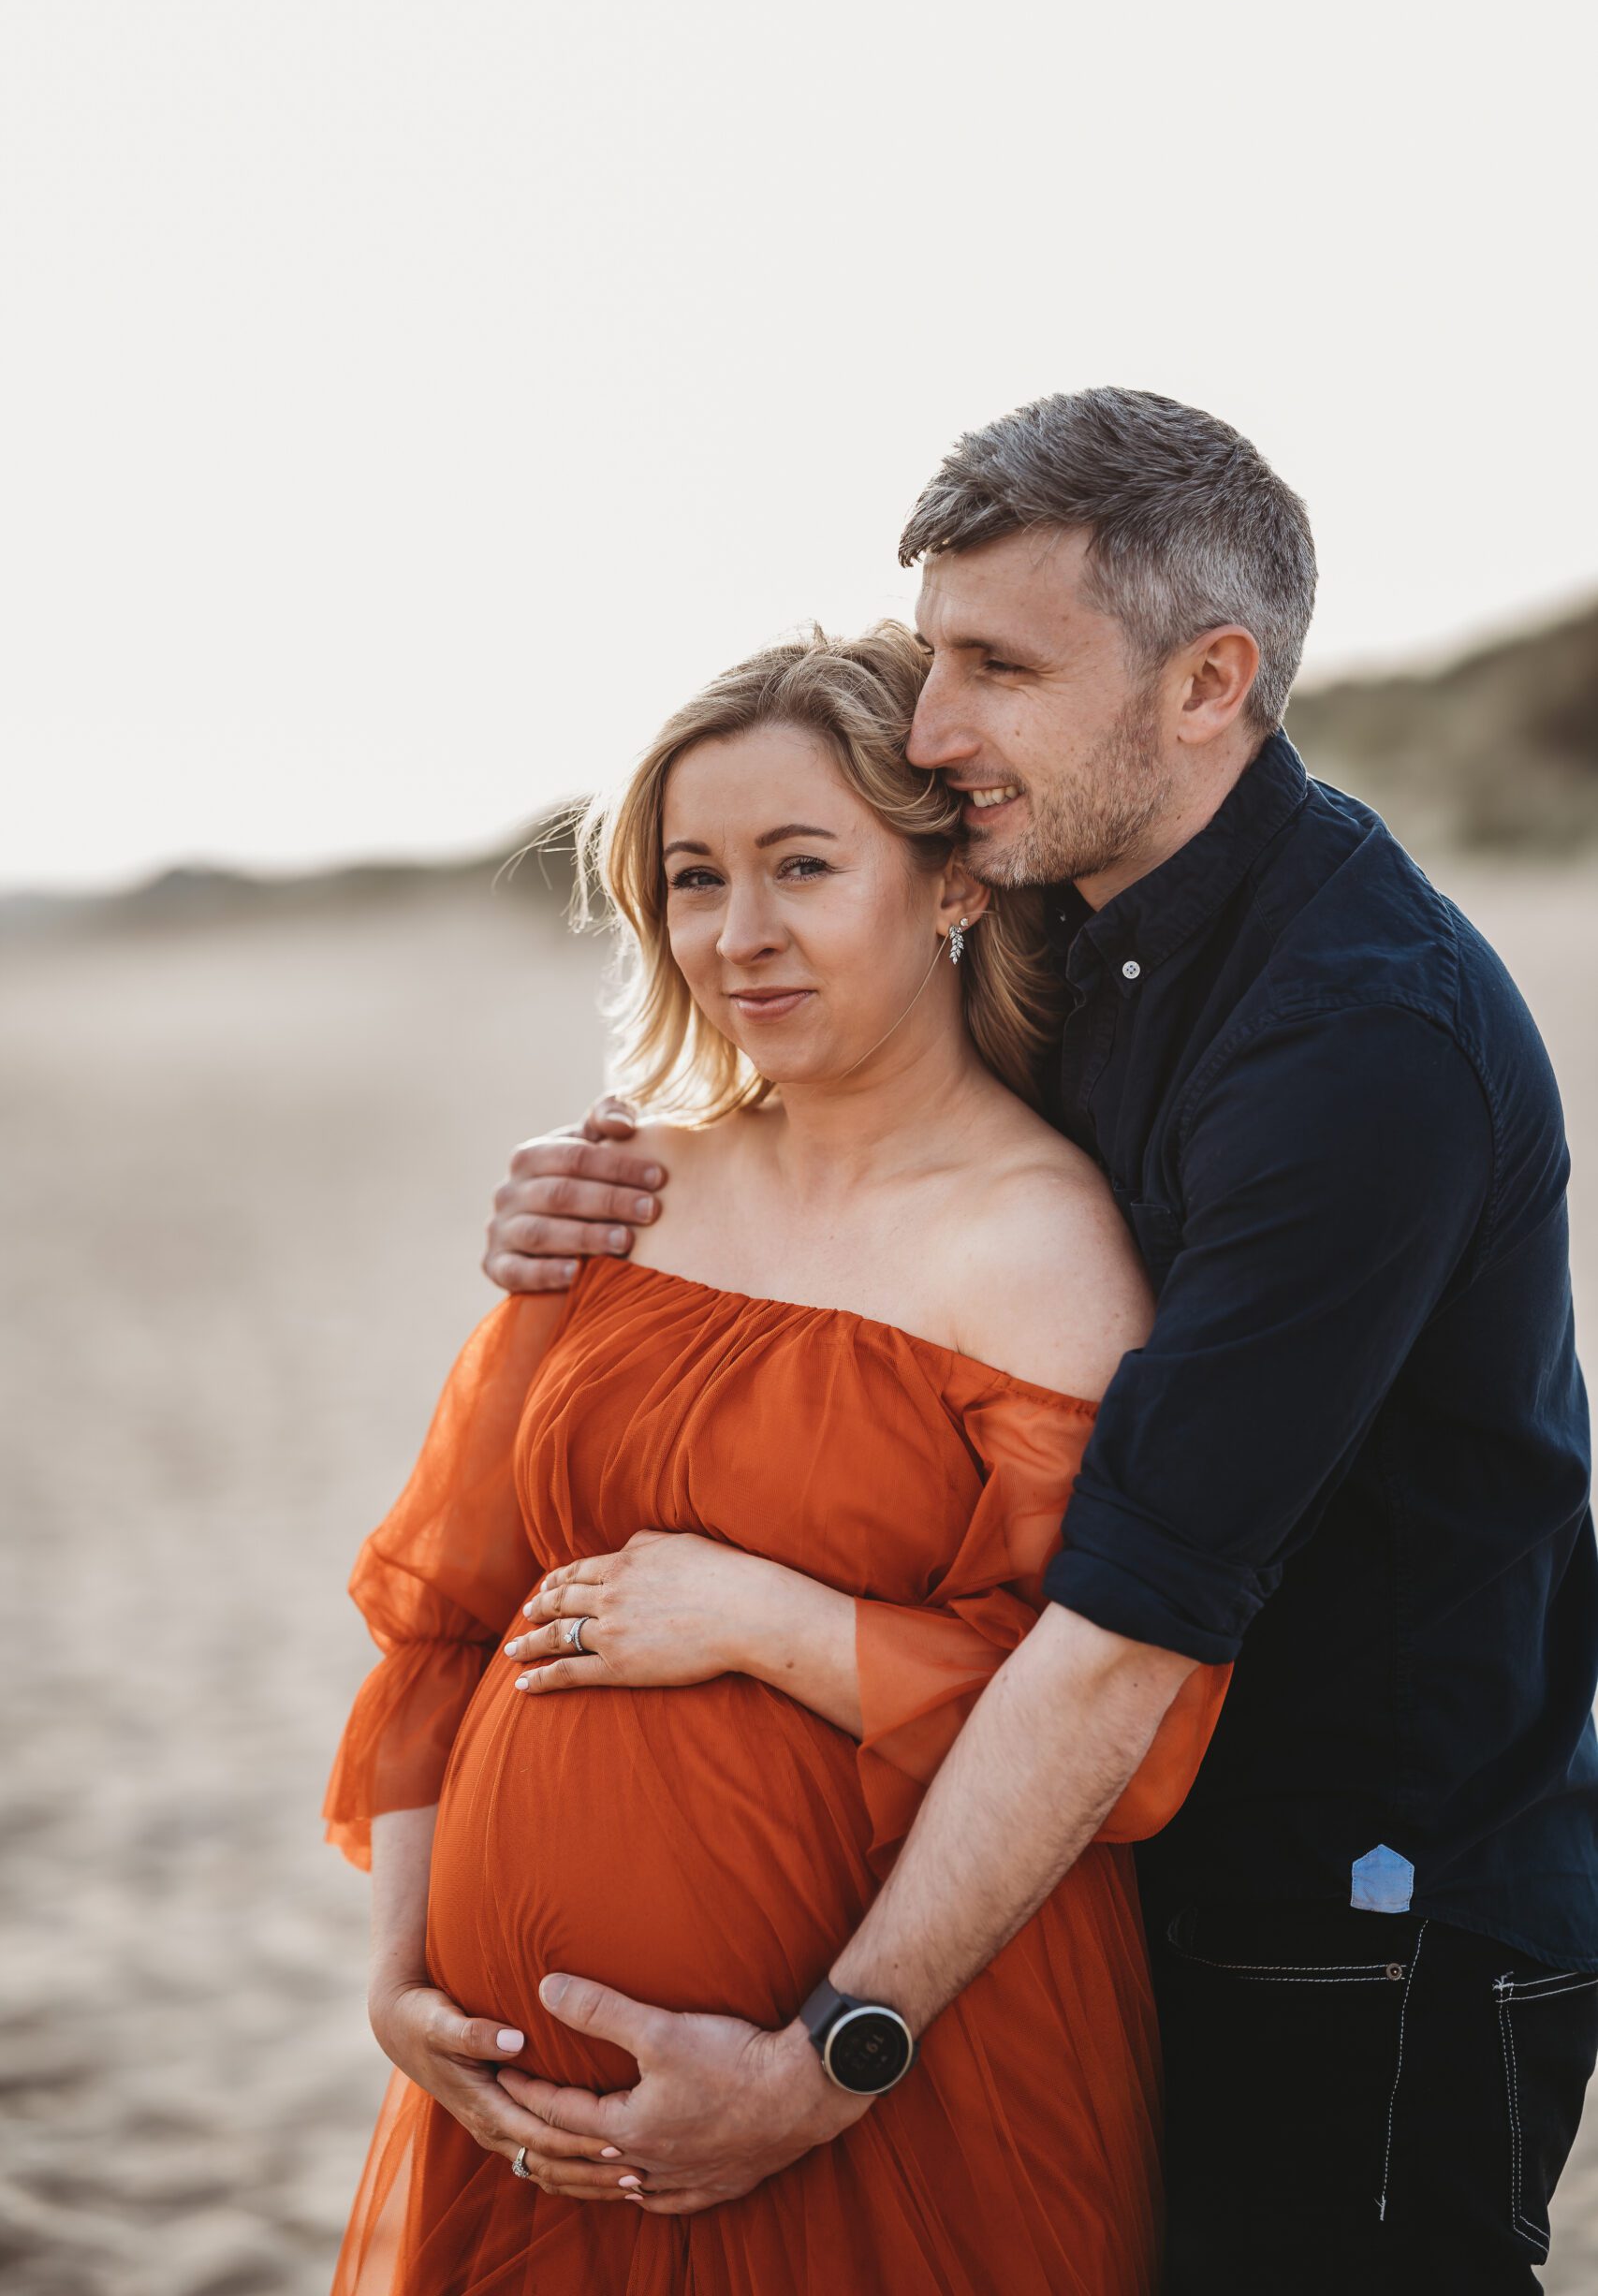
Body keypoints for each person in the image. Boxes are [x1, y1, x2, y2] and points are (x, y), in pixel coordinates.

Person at [483, 388, 1598, 2292]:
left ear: (1204, 682)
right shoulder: (1071, 923)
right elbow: (866, 1169)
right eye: (932, 659)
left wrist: (825, 2051)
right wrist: (589, 1192)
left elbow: (1120, 1636)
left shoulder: (1355, 1042)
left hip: (1362, 1911)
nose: (929, 733)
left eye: (996, 667)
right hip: (1095, 1881)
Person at [324, 621, 1231, 2295]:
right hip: (516, 2113)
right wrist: (401, 1979)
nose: (738, 936)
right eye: (692, 879)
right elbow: (450, 1611)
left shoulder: (1043, 1252)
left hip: (894, 2100)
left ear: (954, 883)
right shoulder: (623, 1192)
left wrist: (768, 1620)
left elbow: (1120, 1725)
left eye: (802, 866)